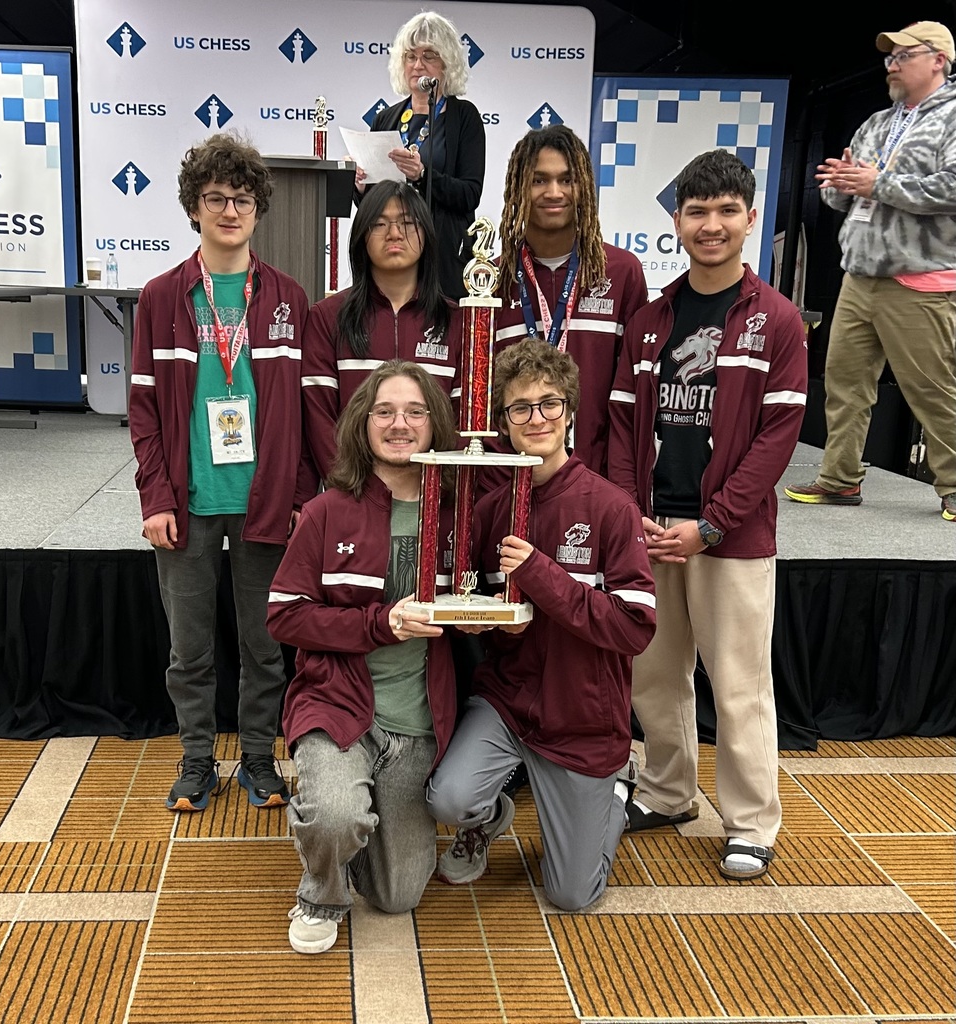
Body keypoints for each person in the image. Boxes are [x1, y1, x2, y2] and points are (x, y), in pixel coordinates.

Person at [608, 149, 808, 880]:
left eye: (727, 211)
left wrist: (714, 523)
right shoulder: (652, 320)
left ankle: (752, 820)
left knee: (739, 683)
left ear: (751, 219)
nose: (712, 225)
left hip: (731, 539)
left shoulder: (777, 321)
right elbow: (626, 429)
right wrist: (633, 517)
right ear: (677, 222)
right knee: (654, 676)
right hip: (655, 531)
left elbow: (776, 439)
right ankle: (667, 792)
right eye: (697, 212)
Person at [425, 339, 656, 911]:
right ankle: (488, 816)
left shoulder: (609, 507)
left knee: (572, 896)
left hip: (580, 721)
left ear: (571, 411)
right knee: (447, 800)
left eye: (549, 403)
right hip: (509, 706)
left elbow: (635, 629)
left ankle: (614, 794)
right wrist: (472, 623)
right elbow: (473, 601)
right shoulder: (489, 508)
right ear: (502, 420)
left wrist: (541, 573)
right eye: (519, 407)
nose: (536, 418)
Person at [130, 133, 313, 812]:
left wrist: (300, 495)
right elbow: (143, 408)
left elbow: (305, 412)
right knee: (190, 650)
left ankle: (260, 761)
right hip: (188, 500)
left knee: (266, 647)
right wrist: (155, 496)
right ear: (194, 208)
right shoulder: (161, 296)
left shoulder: (289, 297)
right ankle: (197, 761)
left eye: (241, 198)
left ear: (258, 208)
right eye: (215, 198)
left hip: (265, 504)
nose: (229, 210)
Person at [267, 361, 459, 954]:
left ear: (435, 424)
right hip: (338, 705)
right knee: (334, 816)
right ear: (363, 423)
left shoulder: (458, 510)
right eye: (384, 412)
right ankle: (320, 887)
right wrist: (383, 623)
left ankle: (360, 818)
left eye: (415, 412)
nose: (399, 424)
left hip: (418, 720)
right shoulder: (329, 510)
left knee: (398, 895)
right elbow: (283, 614)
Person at [784, 21, 956, 521]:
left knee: (932, 388)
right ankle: (839, 479)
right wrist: (838, 184)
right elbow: (842, 189)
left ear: (938, 60)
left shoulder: (951, 117)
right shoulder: (878, 121)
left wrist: (878, 183)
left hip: (919, 279)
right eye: (889, 58)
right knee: (843, 383)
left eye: (904, 56)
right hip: (860, 274)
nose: (893, 65)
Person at [494, 124, 648, 477]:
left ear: (584, 188)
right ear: (518, 188)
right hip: (512, 480)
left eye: (566, 180)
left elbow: (632, 398)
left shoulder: (621, 272)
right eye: (538, 180)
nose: (554, 192)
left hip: (598, 481)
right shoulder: (495, 278)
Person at [303, 180, 462, 482]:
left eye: (406, 223)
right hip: (353, 496)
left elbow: (462, 423)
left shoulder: (456, 321)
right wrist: (351, 487)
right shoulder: (327, 317)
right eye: (379, 223)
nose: (394, 234)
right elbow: (319, 418)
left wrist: (438, 488)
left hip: (432, 499)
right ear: (362, 236)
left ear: (426, 235)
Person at [355, 10, 485, 299]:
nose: (417, 65)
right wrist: (361, 187)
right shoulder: (386, 118)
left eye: (429, 56)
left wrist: (423, 175)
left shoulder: (465, 117)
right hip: (391, 257)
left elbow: (470, 193)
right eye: (410, 56)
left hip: (443, 258)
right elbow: (372, 205)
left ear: (447, 65)